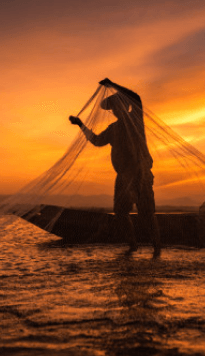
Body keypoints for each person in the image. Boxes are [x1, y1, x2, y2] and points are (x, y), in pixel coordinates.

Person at [69, 78, 161, 258]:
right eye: (113, 109)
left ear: (126, 107)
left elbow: (136, 97)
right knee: (120, 213)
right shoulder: (113, 129)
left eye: (119, 107)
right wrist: (80, 125)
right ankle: (133, 246)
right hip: (123, 177)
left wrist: (112, 84)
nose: (115, 111)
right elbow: (96, 140)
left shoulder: (136, 121)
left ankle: (157, 249)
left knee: (147, 214)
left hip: (140, 174)